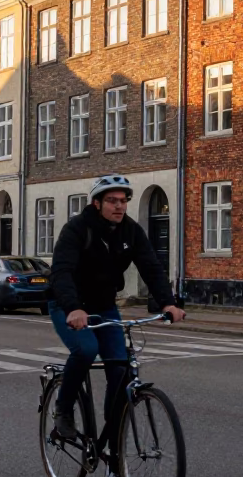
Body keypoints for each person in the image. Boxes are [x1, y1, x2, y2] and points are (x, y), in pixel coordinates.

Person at [48, 175, 185, 442]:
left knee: (120, 367)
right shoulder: (77, 229)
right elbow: (61, 272)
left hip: (103, 305)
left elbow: (151, 266)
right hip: (68, 304)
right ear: (96, 203)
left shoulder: (131, 231)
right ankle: (63, 411)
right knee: (87, 349)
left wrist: (168, 303)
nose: (119, 206)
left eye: (123, 201)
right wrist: (74, 308)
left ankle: (113, 434)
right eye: (112, 200)